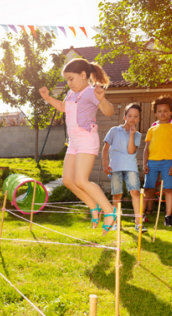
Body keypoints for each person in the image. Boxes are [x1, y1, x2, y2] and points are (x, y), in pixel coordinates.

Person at [39, 58, 116, 235]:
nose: (69, 83)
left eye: (71, 79)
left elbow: (109, 112)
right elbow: (63, 107)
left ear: (83, 75)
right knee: (68, 180)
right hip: (73, 142)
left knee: (81, 180)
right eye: (67, 80)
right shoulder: (70, 94)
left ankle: (110, 211)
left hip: (87, 139)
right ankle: (93, 207)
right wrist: (48, 98)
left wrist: (102, 100)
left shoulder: (90, 92)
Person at [102, 103, 146, 232]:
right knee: (117, 194)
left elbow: (131, 151)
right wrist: (105, 164)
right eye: (130, 115)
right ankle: (116, 223)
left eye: (135, 116)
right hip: (115, 166)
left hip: (130, 166)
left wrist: (131, 135)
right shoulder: (114, 130)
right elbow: (105, 149)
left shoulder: (137, 135)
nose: (132, 118)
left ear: (139, 119)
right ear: (124, 117)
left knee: (135, 192)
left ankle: (138, 224)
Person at [143, 96, 172, 227]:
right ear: (155, 113)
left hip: (168, 162)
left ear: (171, 112)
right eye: (159, 111)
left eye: (165, 111)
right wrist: (145, 164)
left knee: (169, 189)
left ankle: (168, 217)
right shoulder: (151, 129)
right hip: (152, 162)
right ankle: (141, 215)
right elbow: (146, 148)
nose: (162, 113)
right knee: (148, 188)